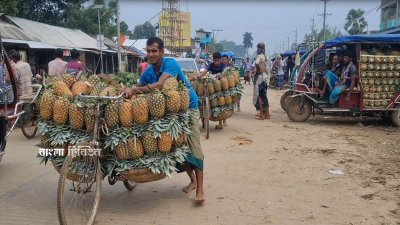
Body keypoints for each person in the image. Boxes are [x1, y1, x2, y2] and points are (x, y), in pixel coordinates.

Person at [123, 37, 205, 204]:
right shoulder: (148, 72)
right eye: (148, 51)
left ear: (161, 52)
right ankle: (193, 181)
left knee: (193, 145)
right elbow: (138, 87)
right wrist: (128, 90)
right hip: (167, 112)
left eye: (154, 51)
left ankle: (201, 190)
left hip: (188, 107)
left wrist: (135, 89)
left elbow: (161, 85)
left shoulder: (171, 64)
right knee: (175, 146)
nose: (151, 54)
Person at [202, 52, 227, 130]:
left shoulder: (223, 65)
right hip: (212, 84)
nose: (216, 62)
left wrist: (220, 74)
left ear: (220, 60)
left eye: (218, 60)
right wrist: (200, 75)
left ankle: (222, 121)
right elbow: (205, 70)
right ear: (213, 60)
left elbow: (224, 72)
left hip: (221, 84)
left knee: (221, 101)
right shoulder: (210, 65)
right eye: (215, 60)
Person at [253, 42, 270, 120]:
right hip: (266, 78)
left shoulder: (259, 56)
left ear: (261, 49)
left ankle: (262, 115)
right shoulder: (267, 57)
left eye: (259, 48)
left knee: (259, 96)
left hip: (259, 78)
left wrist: (257, 71)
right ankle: (267, 114)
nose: (258, 50)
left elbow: (256, 64)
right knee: (264, 96)